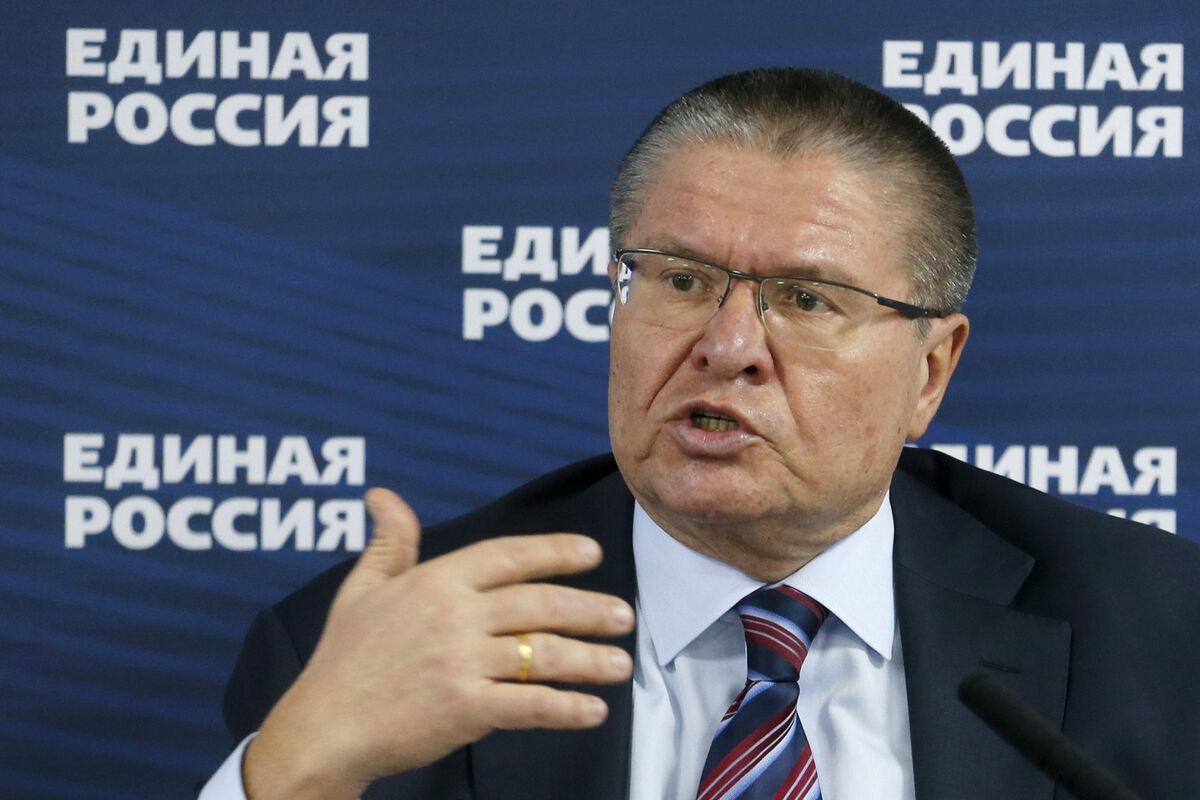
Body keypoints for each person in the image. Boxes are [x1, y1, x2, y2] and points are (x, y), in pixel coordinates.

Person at [201, 68, 1200, 800]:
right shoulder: (370, 647)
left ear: (929, 371)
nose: (728, 346)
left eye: (807, 299)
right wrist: (292, 770)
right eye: (680, 280)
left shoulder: (1161, 637)